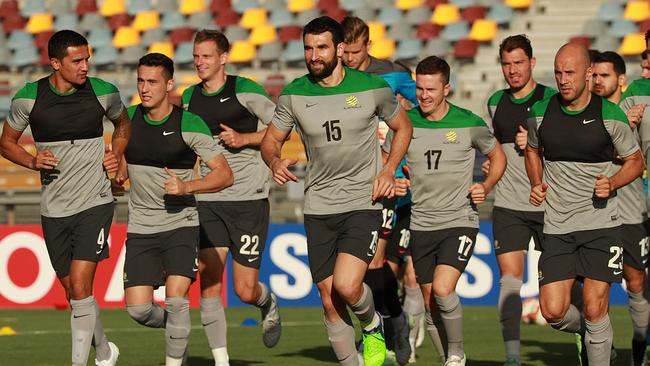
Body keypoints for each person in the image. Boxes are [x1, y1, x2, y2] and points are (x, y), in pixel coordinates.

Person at [260, 16, 412, 366]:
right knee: (329, 300)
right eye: (309, 48)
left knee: (347, 286)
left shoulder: (371, 87)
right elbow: (271, 140)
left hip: (363, 202)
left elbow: (402, 127)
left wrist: (388, 170)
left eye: (322, 47)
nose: (314, 55)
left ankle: (373, 325)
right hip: (318, 207)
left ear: (341, 49)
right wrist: (274, 161)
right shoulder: (295, 93)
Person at [0, 30, 130, 366]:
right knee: (74, 292)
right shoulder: (28, 98)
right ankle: (105, 351)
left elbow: (124, 125)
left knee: (83, 285)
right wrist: (31, 160)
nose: (85, 66)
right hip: (54, 207)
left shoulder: (105, 92)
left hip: (95, 201)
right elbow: (7, 142)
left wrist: (116, 156)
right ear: (55, 63)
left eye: (87, 58)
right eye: (77, 60)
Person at [526, 43, 643, 366]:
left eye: (570, 73)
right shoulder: (540, 112)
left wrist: (613, 182)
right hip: (558, 227)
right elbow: (533, 150)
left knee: (595, 307)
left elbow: (635, 161)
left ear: (589, 74)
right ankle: (596, 336)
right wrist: (537, 182)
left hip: (601, 227)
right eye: (558, 73)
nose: (563, 80)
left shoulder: (610, 115)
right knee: (552, 311)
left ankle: (598, 346)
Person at [386, 55, 506, 366]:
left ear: (447, 89)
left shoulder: (468, 122)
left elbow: (498, 155)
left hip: (458, 222)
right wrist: (393, 180)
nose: (424, 95)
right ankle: (448, 360)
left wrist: (486, 184)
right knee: (428, 302)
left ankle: (456, 351)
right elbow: (384, 162)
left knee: (442, 289)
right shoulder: (406, 124)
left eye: (431, 89)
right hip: (421, 225)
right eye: (420, 89)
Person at [115, 53, 233, 366]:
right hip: (141, 228)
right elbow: (120, 172)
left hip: (181, 224)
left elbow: (224, 174)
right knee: (138, 309)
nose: (144, 87)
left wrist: (186, 187)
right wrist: (114, 176)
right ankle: (177, 331)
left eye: (152, 81)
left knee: (177, 299)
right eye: (141, 80)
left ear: (169, 84)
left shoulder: (189, 123)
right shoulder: (127, 120)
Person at [181, 29, 281, 365]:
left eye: (206, 56)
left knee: (244, 290)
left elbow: (283, 126)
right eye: (196, 56)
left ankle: (266, 302)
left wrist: (245, 138)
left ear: (224, 58)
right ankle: (221, 360)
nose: (199, 62)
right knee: (209, 282)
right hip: (208, 200)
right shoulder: (189, 98)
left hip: (248, 200)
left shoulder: (245, 90)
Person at [341, 15, 416, 365]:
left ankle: (383, 328)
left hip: (387, 180)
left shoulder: (395, 75)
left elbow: (425, 112)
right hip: (350, 181)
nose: (349, 59)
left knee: (373, 260)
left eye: (355, 52)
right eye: (345, 51)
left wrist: (404, 164)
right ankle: (391, 322)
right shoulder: (336, 78)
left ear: (368, 46)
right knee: (362, 266)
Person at [484, 35, 556, 366]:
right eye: (507, 64)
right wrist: (490, 164)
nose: (512, 70)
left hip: (550, 206)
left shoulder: (552, 100)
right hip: (509, 205)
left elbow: (570, 150)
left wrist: (539, 143)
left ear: (532, 63)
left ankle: (587, 335)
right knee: (509, 281)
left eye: (518, 63)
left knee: (562, 285)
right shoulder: (496, 101)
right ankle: (512, 356)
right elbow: (494, 148)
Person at [592, 50, 649, 366]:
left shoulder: (635, 113)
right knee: (594, 291)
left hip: (630, 213)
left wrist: (626, 129)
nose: (598, 81)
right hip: (594, 216)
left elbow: (637, 158)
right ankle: (601, 349)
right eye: (595, 75)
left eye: (605, 75)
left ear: (621, 80)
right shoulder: (588, 113)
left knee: (637, 284)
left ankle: (639, 352)